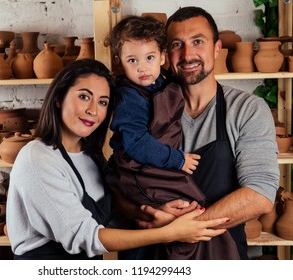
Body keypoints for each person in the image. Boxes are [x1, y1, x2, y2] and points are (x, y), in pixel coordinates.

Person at [6, 58, 230, 260]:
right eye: (84, 96)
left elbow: (112, 215)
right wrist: (167, 233)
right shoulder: (37, 157)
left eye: (103, 102)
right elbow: (84, 236)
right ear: (58, 99)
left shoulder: (90, 156)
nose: (93, 110)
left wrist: (156, 213)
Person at [140, 6, 279, 259]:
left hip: (221, 255)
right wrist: (163, 231)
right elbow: (121, 177)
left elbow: (260, 194)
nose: (187, 54)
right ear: (165, 55)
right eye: (176, 45)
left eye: (198, 42)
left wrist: (183, 229)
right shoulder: (147, 109)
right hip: (155, 254)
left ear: (217, 48)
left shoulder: (247, 109)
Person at [104, 15, 240, 259]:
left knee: (194, 206)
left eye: (149, 58)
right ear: (120, 62)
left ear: (162, 57)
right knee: (183, 213)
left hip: (159, 170)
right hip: (139, 172)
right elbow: (136, 143)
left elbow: (261, 197)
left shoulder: (163, 82)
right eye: (132, 60)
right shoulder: (129, 97)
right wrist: (177, 160)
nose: (142, 67)